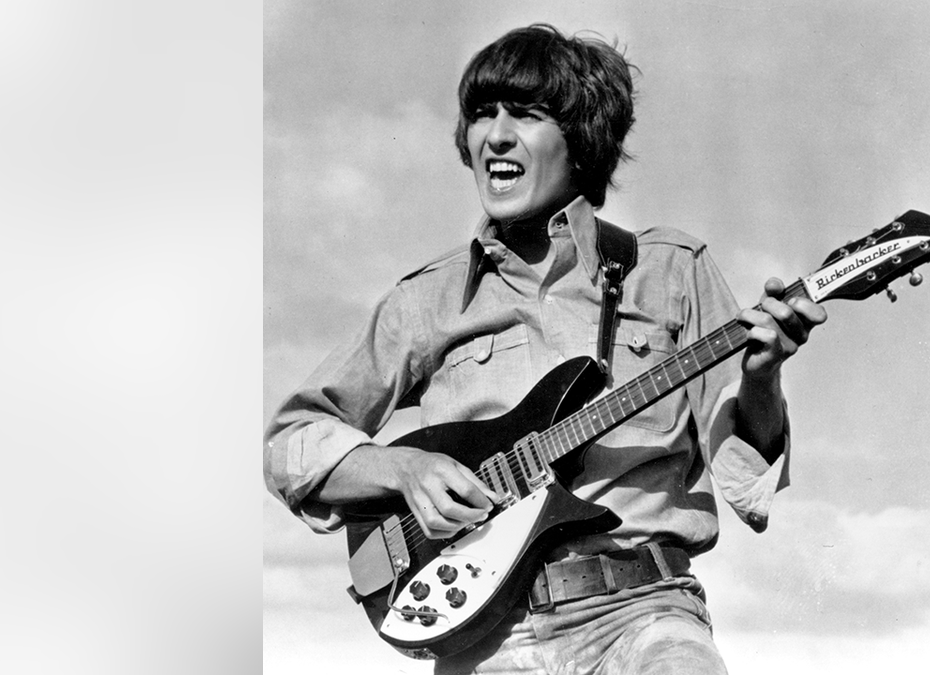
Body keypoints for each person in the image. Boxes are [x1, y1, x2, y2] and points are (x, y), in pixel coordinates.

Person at [264, 23, 826, 675]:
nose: (494, 136)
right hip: (490, 637)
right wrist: (404, 472)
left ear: (582, 142)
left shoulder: (671, 270)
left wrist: (762, 377)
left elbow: (745, 483)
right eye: (481, 114)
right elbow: (290, 445)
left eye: (525, 114)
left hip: (645, 615)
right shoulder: (426, 300)